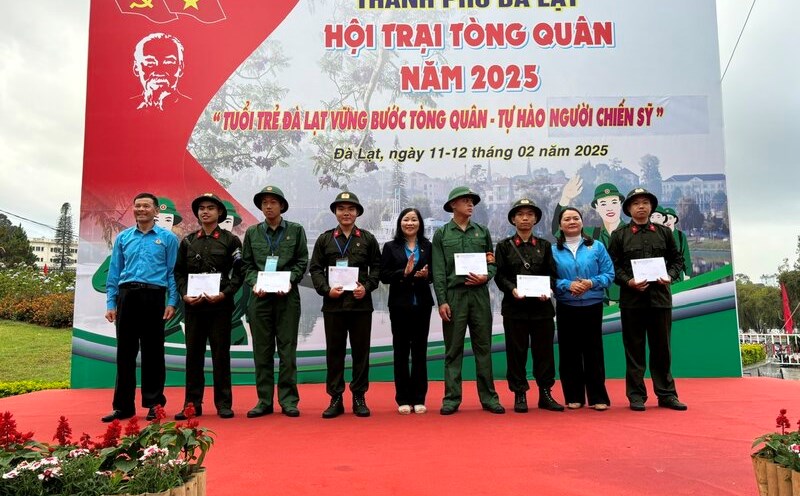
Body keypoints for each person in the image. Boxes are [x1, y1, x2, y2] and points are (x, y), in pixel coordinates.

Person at [608, 188, 687, 412]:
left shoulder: (664, 233)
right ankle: (636, 396)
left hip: (660, 299)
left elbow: (677, 260)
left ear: (651, 207)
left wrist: (670, 276)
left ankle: (667, 394)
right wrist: (629, 281)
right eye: (636, 203)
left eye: (645, 203)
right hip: (632, 301)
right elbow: (613, 266)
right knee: (634, 349)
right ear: (629, 209)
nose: (641, 206)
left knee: (662, 349)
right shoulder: (620, 235)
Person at [102, 193, 179, 422]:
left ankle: (155, 404)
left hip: (154, 297)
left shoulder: (168, 238)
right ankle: (123, 406)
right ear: (133, 209)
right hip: (127, 297)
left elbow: (172, 272)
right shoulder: (124, 238)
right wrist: (111, 302)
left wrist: (172, 301)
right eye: (138, 206)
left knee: (153, 353)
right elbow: (114, 272)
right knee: (125, 353)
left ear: (156, 211)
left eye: (147, 206)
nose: (141, 209)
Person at [432, 186, 504, 415]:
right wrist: (442, 301)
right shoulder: (442, 234)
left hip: (480, 295)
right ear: (453, 205)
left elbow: (491, 262)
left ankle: (489, 398)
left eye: (472, 201)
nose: (470, 204)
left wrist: (487, 276)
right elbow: (439, 271)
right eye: (465, 201)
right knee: (453, 350)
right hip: (454, 296)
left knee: (483, 347)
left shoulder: (482, 231)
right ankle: (451, 398)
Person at [310, 192, 381, 418]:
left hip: (361, 305)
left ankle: (359, 396)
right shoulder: (325, 239)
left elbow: (377, 269)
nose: (346, 213)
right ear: (335, 212)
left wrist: (366, 287)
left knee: (361, 353)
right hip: (334, 305)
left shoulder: (368, 239)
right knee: (335, 352)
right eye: (341, 209)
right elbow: (315, 269)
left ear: (357, 212)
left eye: (351, 209)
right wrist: (325, 290)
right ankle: (336, 398)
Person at [173, 193, 243, 420]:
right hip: (194, 307)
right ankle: (191, 404)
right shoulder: (188, 241)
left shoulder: (231, 241)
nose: (205, 211)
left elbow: (238, 273)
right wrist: (184, 294)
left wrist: (225, 294)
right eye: (201, 208)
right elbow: (179, 272)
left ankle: (223, 404)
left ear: (220, 212)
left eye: (210, 208)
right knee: (193, 356)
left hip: (220, 306)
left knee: (221, 355)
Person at [241, 186, 308, 418]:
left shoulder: (296, 231)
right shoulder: (252, 233)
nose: (268, 206)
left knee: (287, 350)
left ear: (282, 206)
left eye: (273, 202)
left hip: (286, 297)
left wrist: (289, 280)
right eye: (264, 202)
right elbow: (247, 265)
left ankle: (289, 400)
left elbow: (301, 261)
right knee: (262, 349)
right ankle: (264, 400)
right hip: (260, 299)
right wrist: (254, 283)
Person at [494, 198, 562, 413]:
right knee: (516, 353)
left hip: (542, 309)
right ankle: (519, 393)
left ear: (535, 219)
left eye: (530, 214)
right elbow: (499, 275)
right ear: (513, 219)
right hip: (515, 309)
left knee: (544, 353)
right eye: (520, 214)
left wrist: (548, 289)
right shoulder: (504, 246)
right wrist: (511, 289)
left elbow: (552, 274)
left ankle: (545, 393)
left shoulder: (544, 245)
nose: (525, 218)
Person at [551, 207, 615, 411]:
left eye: (576, 218)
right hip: (566, 305)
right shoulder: (553, 250)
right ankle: (573, 396)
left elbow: (609, 274)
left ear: (582, 222)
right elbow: (549, 279)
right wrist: (567, 285)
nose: (572, 222)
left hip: (592, 305)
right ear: (560, 225)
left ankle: (598, 397)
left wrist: (590, 283)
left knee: (593, 351)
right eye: (567, 219)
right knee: (569, 352)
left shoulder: (596, 246)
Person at [380, 208, 434, 415]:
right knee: (401, 351)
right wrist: (403, 273)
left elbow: (434, 274)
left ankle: (419, 398)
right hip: (399, 305)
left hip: (422, 304)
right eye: (406, 219)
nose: (410, 223)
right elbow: (383, 275)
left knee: (420, 352)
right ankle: (402, 398)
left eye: (414, 220)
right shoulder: (390, 247)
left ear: (419, 223)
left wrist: (426, 275)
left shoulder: (428, 246)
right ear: (399, 223)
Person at [553, 179, 626, 303]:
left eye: (614, 202)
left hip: (626, 298)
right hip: (599, 300)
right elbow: (558, 231)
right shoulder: (592, 235)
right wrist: (565, 199)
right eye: (603, 204)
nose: (609, 208)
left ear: (620, 204)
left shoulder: (630, 233)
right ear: (596, 207)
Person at [132, 32, 191, 111]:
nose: (159, 71)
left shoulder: (193, 107)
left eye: (168, 62)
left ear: (180, 68)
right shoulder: (123, 107)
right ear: (136, 68)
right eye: (150, 62)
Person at [663, 207, 693, 280]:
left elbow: (685, 255)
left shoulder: (680, 236)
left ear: (675, 219)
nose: (668, 221)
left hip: (678, 276)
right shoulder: (659, 236)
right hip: (662, 277)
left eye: (670, 218)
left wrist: (687, 273)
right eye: (666, 219)